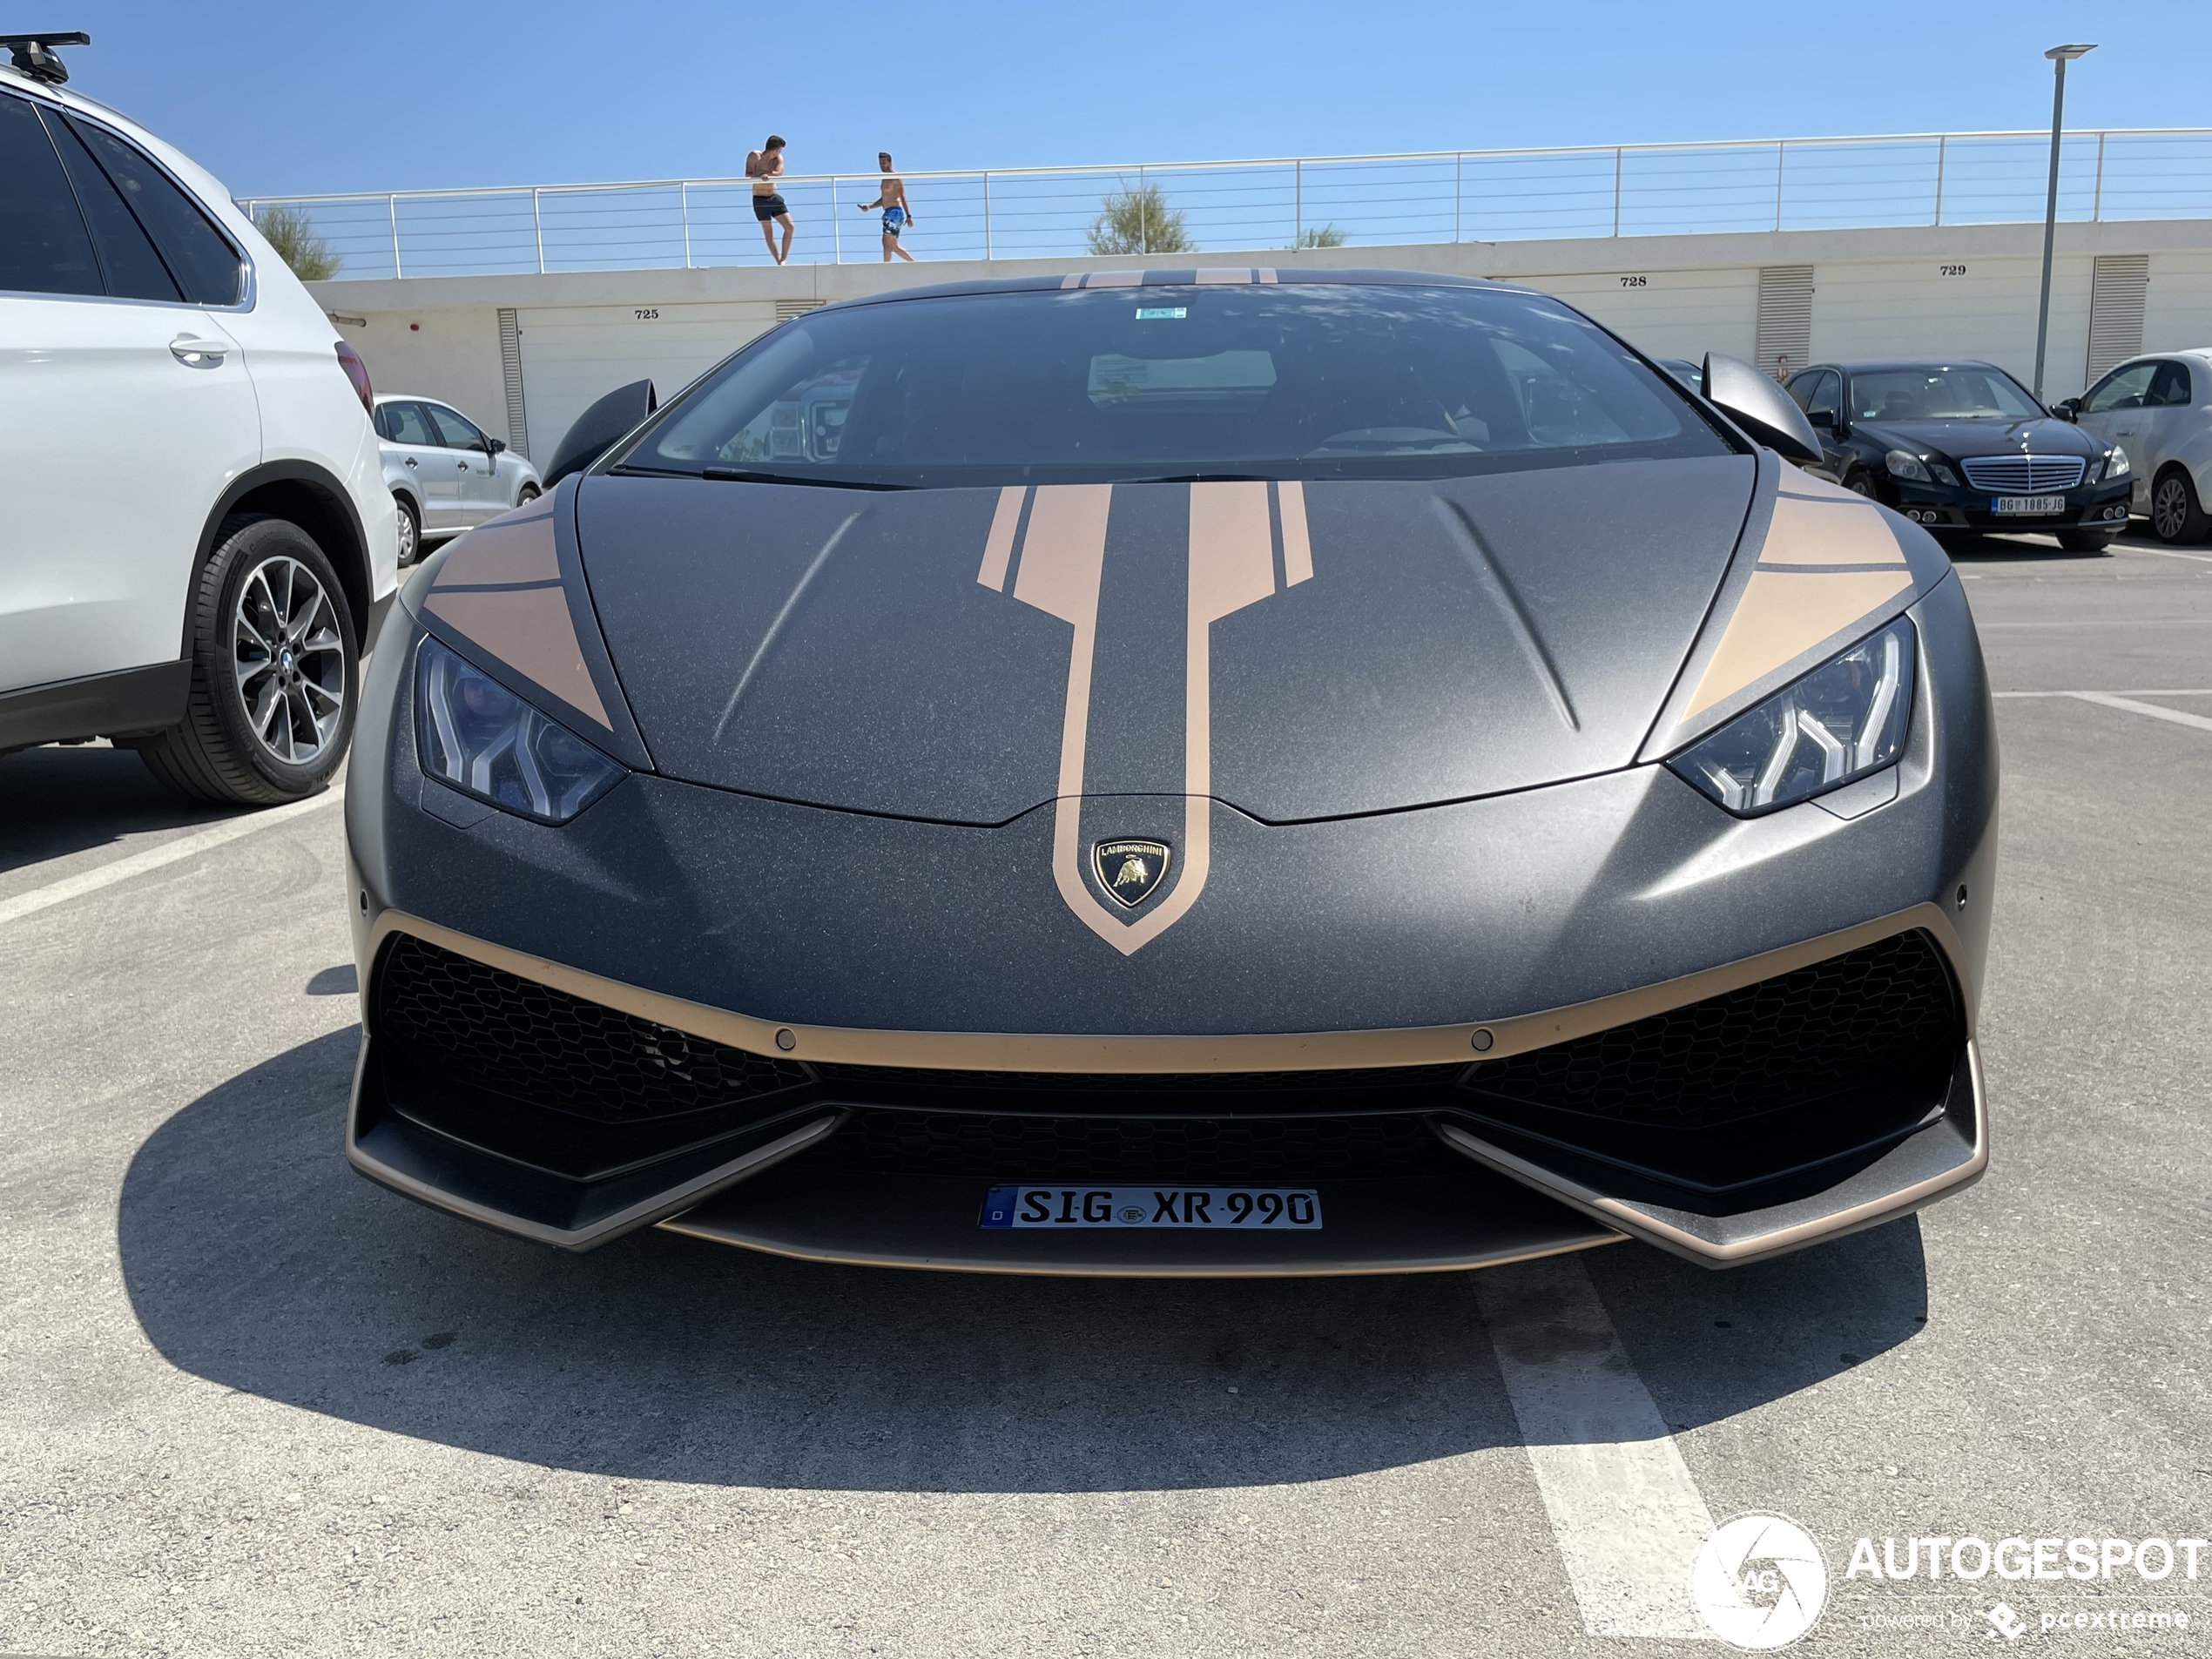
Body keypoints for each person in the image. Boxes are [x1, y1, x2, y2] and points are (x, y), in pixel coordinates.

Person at [857, 152, 916, 263]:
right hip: (888, 212)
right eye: (880, 163)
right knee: (892, 245)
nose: (882, 165)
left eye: (884, 162)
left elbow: (902, 196)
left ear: (890, 162)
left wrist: (909, 216)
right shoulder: (884, 178)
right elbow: (883, 199)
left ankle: (886, 268)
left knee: (886, 243)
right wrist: (869, 206)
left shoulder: (895, 177)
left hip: (894, 212)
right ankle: (913, 264)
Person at [747, 135, 794, 265]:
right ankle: (777, 260)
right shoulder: (755, 156)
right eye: (779, 150)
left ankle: (784, 258)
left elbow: (779, 173)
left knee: (790, 226)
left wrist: (766, 173)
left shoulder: (778, 159)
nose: (779, 153)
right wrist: (760, 174)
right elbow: (748, 174)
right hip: (759, 198)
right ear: (774, 149)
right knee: (768, 232)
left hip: (774, 197)